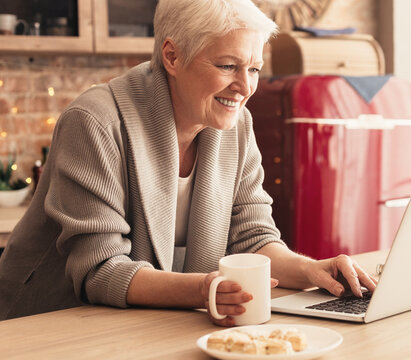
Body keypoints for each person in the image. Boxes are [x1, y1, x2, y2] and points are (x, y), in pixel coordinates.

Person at [0, 0, 377, 325]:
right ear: (172, 56)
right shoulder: (95, 122)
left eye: (254, 69)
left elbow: (254, 239)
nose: (245, 87)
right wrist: (204, 289)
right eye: (228, 66)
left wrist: (312, 270)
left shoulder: (237, 125)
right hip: (43, 325)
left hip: (134, 326)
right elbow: (100, 270)